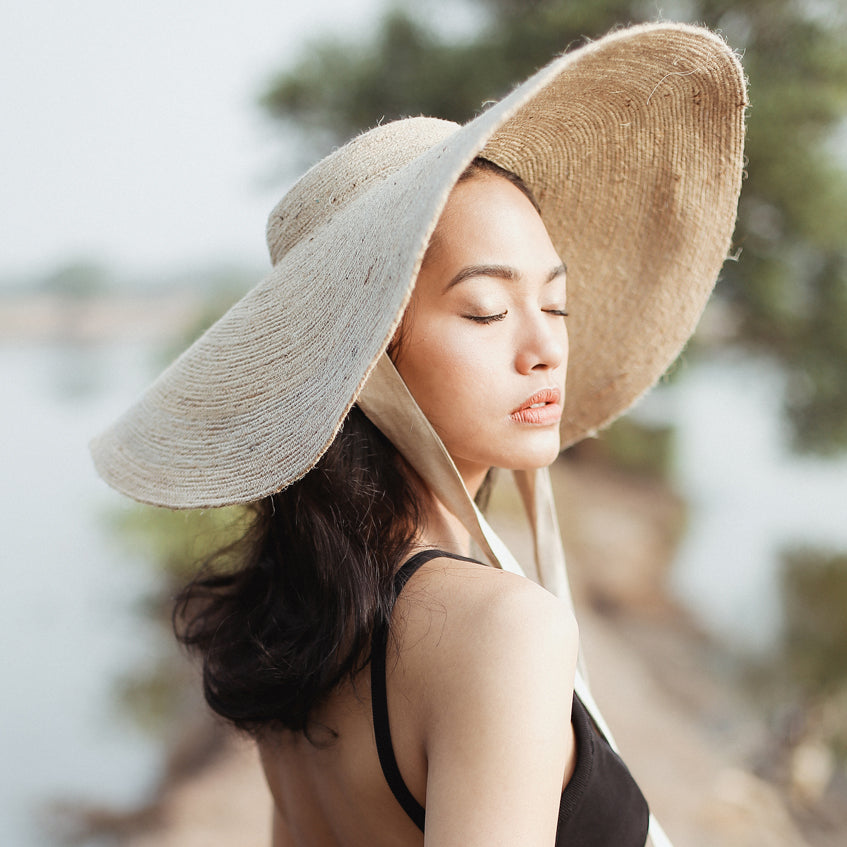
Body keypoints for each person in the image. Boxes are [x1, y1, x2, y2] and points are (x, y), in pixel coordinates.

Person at [91, 22, 747, 847]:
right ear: (369, 356)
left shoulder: (298, 613)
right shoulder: (501, 628)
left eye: (555, 303)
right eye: (486, 309)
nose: (544, 347)